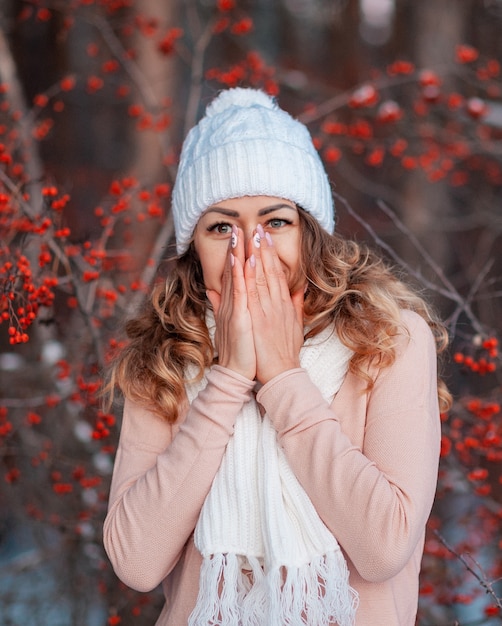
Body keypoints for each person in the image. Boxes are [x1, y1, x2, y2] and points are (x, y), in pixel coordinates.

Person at [103, 87, 451, 626]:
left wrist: (285, 378)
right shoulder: (166, 357)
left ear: (311, 231)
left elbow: (383, 547)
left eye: (276, 221)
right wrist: (227, 379)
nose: (250, 247)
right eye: (222, 227)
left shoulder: (390, 340)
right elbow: (136, 561)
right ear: (193, 245)